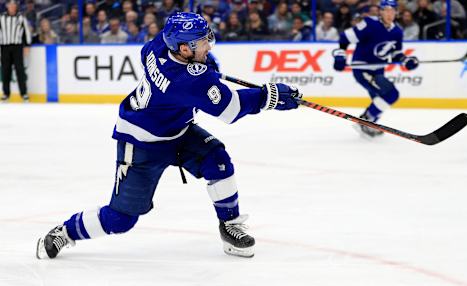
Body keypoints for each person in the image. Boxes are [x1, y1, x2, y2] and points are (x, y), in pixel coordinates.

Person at [36, 12, 302, 259]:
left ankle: (230, 226)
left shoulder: (160, 45)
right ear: (184, 49)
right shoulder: (186, 80)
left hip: (178, 130)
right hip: (141, 143)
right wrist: (270, 95)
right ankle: (66, 232)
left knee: (217, 160)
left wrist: (203, 67)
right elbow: (230, 109)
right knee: (121, 219)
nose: (208, 45)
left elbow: (146, 54)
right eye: (201, 42)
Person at [332, 0, 419, 137]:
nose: (390, 13)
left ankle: (370, 124)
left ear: (396, 12)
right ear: (381, 11)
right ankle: (365, 121)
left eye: (393, 10)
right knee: (391, 94)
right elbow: (345, 38)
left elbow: (395, 53)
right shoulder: (369, 24)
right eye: (387, 10)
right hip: (363, 69)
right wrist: (340, 55)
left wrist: (406, 60)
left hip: (378, 69)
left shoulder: (397, 31)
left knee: (379, 99)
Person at [0, 0, 31, 102]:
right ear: (7, 6)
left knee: (20, 70)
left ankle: (24, 93)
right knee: (5, 71)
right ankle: (6, 93)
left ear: (16, 6)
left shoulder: (21, 18)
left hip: (17, 47)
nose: (12, 7)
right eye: (10, 5)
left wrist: (27, 45)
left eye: (14, 5)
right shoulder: (1, 18)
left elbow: (26, 32)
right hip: (4, 47)